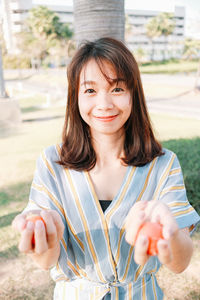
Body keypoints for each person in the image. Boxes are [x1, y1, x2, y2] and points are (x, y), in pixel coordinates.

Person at [12, 37, 200, 300]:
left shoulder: (163, 163)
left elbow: (180, 263)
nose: (104, 104)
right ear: (74, 98)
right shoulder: (52, 162)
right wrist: (45, 236)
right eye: (90, 91)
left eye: (117, 89)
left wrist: (168, 236)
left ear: (134, 94)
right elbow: (45, 262)